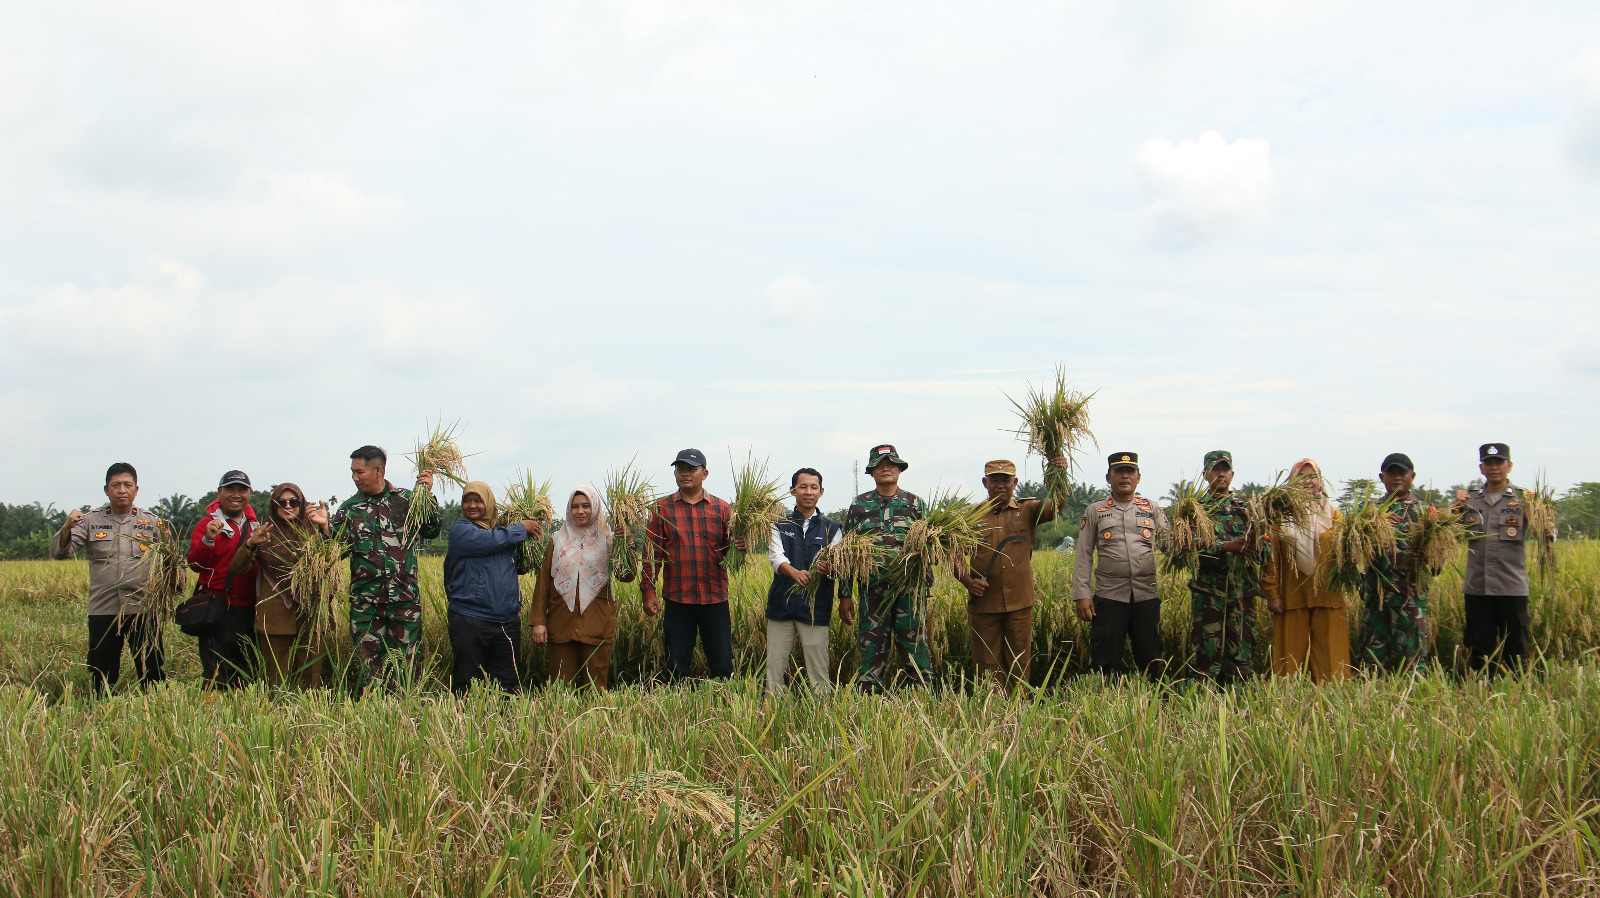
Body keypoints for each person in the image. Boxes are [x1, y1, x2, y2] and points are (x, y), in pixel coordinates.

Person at [316, 445, 439, 688]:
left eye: (360, 472)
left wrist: (427, 496)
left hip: (404, 601)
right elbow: (338, 551)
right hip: (366, 605)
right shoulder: (349, 509)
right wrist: (325, 528)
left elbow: (431, 530)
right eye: (352, 472)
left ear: (378, 470)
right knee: (369, 673)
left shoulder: (406, 500)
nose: (355, 477)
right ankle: (370, 709)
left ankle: (404, 708)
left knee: (406, 670)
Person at [50, 462, 173, 692]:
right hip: (103, 608)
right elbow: (60, 553)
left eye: (127, 485)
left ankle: (155, 705)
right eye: (116, 485)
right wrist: (66, 527)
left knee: (152, 669)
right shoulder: (90, 521)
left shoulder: (152, 522)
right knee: (102, 672)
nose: (122, 490)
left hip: (142, 608)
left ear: (136, 489)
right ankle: (103, 707)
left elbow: (171, 561)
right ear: (106, 490)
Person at [958, 458, 1064, 691]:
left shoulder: (1029, 510)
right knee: (986, 662)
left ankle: (1020, 705)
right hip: (984, 603)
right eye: (994, 480)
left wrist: (1058, 472)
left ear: (1015, 483)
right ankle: (992, 705)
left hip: (1019, 602)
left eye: (1005, 480)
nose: (1000, 485)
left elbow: (1056, 505)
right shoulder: (970, 517)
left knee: (1019, 659)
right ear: (984, 483)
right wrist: (967, 581)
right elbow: (950, 554)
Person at [1451, 442, 1550, 673]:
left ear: (1509, 466)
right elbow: (1445, 531)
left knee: (1516, 647)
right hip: (1477, 587)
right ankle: (1482, 688)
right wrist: (1455, 506)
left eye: (1499, 462)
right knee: (1480, 647)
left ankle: (1517, 688)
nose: (1494, 467)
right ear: (1481, 468)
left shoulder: (1526, 499)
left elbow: (1546, 527)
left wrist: (1549, 531)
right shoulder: (1469, 500)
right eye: (1488, 463)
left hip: (1511, 586)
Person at [640, 449, 736, 681]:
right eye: (680, 469)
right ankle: (677, 699)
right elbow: (652, 555)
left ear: (705, 473)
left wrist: (740, 545)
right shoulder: (662, 509)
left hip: (714, 598)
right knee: (676, 666)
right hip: (678, 599)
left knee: (723, 664)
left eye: (692, 469)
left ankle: (724, 698)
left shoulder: (722, 509)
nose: (685, 473)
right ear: (675, 473)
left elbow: (731, 553)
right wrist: (648, 592)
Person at [1070, 452, 1168, 680]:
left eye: (1130, 471)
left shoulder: (1152, 509)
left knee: (1151, 654)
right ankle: (1105, 696)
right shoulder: (1096, 510)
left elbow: (1170, 545)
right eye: (1119, 472)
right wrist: (1082, 594)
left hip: (1146, 594)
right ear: (1108, 477)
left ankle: (1155, 695)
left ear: (1138, 477)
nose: (1125, 476)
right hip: (1110, 596)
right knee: (1105, 656)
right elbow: (1084, 554)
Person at [843, 444, 931, 692]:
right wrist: (845, 594)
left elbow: (930, 548)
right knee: (871, 649)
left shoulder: (916, 504)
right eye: (879, 465)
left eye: (891, 464)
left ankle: (919, 695)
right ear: (871, 472)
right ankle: (870, 697)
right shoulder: (859, 506)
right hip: (872, 592)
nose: (885, 468)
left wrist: (925, 589)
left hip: (909, 591)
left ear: (899, 469)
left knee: (915, 647)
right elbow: (846, 553)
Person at [442, 481, 539, 694]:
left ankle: (502, 715)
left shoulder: (503, 534)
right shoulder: (462, 530)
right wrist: (521, 528)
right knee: (468, 682)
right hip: (471, 618)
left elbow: (519, 567)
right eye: (467, 501)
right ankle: (464, 715)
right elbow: (489, 541)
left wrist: (529, 542)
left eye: (478, 500)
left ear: (489, 502)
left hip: (507, 621)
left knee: (506, 684)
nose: (472, 505)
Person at [1260, 458, 1351, 683]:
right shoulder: (1280, 517)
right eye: (1301, 477)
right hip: (1291, 598)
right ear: (1291, 481)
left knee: (1332, 662)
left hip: (1328, 596)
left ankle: (1334, 698)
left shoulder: (1335, 516)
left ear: (1321, 480)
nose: (1308, 482)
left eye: (1313, 477)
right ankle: (1288, 698)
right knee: (1289, 663)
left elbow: (1346, 554)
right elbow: (1271, 559)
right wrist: (1272, 594)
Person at [531, 486, 625, 690]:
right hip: (561, 621)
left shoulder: (608, 538)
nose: (580, 511)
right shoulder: (557, 539)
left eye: (586, 506)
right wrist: (538, 622)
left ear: (595, 508)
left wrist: (627, 544)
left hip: (597, 622)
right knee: (561, 689)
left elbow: (626, 575)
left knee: (595, 687)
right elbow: (543, 582)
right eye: (575, 506)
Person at [232, 482, 325, 689]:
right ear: (274, 506)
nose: (288, 506)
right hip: (274, 618)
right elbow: (237, 568)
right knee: (276, 682)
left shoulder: (314, 532)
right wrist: (251, 543)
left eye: (294, 502)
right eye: (281, 502)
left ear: (302, 504)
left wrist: (325, 528)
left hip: (309, 615)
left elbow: (331, 564)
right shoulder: (264, 534)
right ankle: (278, 709)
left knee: (310, 679)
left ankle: (309, 709)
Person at [765, 468, 845, 695]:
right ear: (793, 491)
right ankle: (772, 705)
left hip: (815, 607)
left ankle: (822, 708)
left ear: (821, 492)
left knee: (818, 670)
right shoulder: (778, 524)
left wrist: (831, 568)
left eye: (813, 487)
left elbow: (839, 565)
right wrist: (794, 573)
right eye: (803, 487)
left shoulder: (832, 529)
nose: (808, 492)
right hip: (781, 604)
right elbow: (776, 557)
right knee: (774, 666)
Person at [1188, 450, 1261, 686]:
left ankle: (1240, 701)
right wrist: (1227, 546)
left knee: (1242, 654)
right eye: (1215, 469)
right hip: (1208, 594)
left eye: (1225, 469)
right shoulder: (1194, 510)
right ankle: (1204, 701)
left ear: (1232, 474)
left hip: (1241, 593)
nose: (1221, 474)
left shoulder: (1248, 510)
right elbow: (1186, 547)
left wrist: (1255, 546)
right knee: (1206, 654)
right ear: (1205, 474)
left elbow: (1267, 552)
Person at [186, 470, 261, 689]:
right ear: (219, 492)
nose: (236, 494)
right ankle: (213, 708)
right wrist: (208, 540)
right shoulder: (207, 524)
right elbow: (195, 565)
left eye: (242, 490)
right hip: (219, 607)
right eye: (230, 489)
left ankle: (241, 707)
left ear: (250, 493)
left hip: (250, 608)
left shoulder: (255, 526)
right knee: (217, 670)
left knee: (247, 668)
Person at [1358, 453, 1431, 673]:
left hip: (1410, 595)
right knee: (1371, 658)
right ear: (1382, 477)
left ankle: (1413, 692)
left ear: (1412, 476)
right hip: (1376, 594)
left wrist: (1425, 557)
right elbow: (1352, 547)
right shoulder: (1367, 510)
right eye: (1392, 473)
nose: (1397, 477)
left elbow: (1437, 559)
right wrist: (1374, 523)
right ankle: (1370, 692)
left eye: (1402, 473)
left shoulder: (1424, 511)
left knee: (1412, 659)